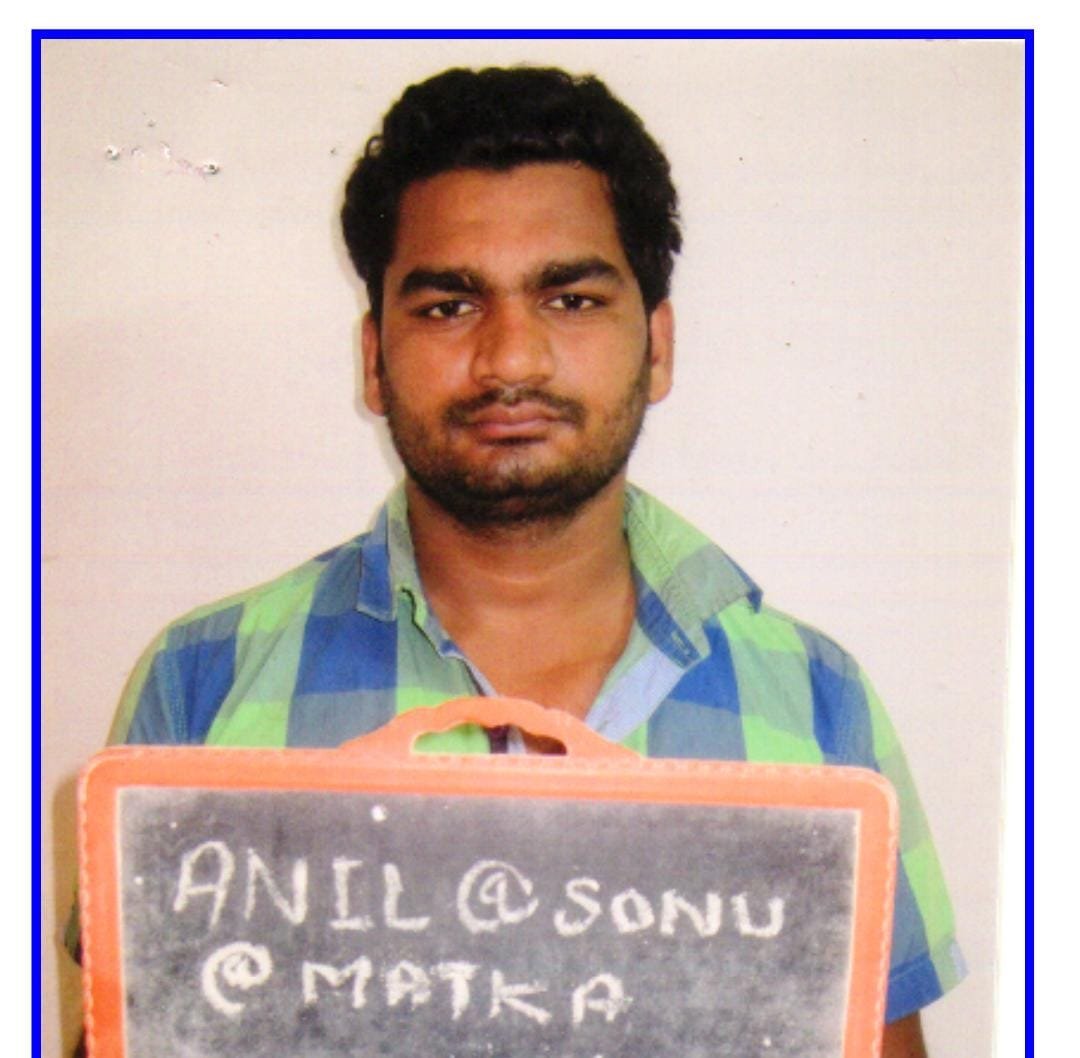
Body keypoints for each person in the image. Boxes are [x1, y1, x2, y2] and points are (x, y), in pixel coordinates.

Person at [92, 66, 964, 1056]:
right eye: (448, 307)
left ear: (658, 346)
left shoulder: (818, 702)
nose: (511, 359)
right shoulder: (201, 682)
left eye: (571, 298)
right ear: (374, 359)